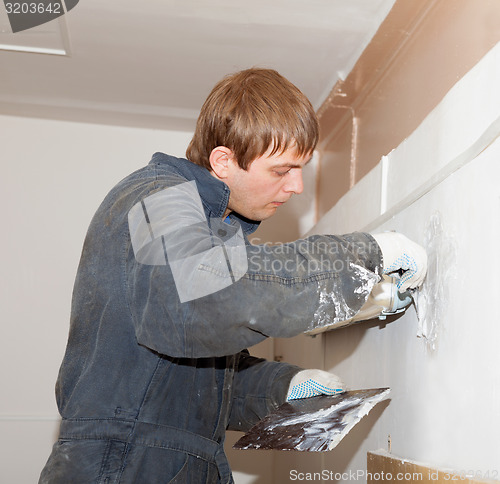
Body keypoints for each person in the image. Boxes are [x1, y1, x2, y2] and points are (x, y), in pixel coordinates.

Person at [39, 68, 427, 483]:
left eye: (302, 169)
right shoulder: (158, 198)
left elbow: (184, 380)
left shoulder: (200, 233)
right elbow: (202, 303)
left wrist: (285, 386)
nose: (296, 185)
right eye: (281, 171)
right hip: (123, 466)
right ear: (223, 161)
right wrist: (365, 254)